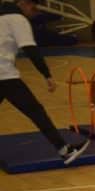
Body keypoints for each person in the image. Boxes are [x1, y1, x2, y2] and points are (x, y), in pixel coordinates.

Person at [1, 9, 89, 164]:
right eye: (33, 8)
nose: (33, 13)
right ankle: (64, 150)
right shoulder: (17, 19)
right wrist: (46, 74)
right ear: (24, 4)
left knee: (35, 111)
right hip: (4, 76)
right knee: (35, 111)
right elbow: (30, 48)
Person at [14, 0, 78, 47]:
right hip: (33, 38)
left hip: (39, 37)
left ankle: (72, 38)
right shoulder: (16, 17)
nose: (23, 7)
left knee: (56, 38)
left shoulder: (38, 16)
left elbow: (47, 17)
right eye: (22, 4)